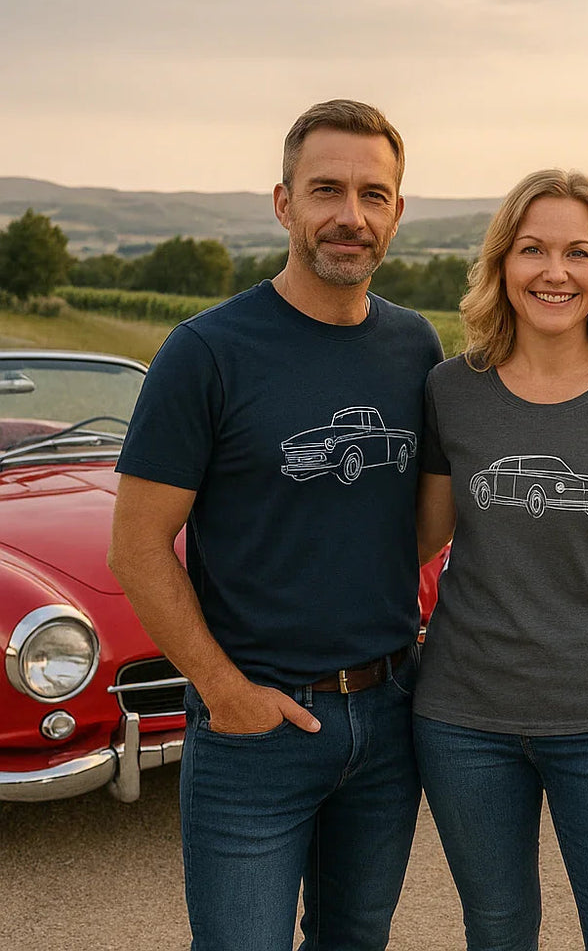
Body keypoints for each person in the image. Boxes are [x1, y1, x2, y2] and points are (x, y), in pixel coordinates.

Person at [108, 99, 443, 950]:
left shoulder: (414, 347)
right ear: (283, 202)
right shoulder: (207, 352)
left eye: (374, 195)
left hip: (389, 711)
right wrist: (224, 693)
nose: (350, 216)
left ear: (397, 212)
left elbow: (419, 520)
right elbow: (137, 547)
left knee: (355, 938)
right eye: (326, 189)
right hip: (254, 726)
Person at [412, 169, 588, 951]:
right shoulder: (451, 390)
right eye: (533, 249)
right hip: (464, 719)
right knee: (499, 930)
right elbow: (421, 541)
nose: (554, 272)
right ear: (503, 263)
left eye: (578, 252)